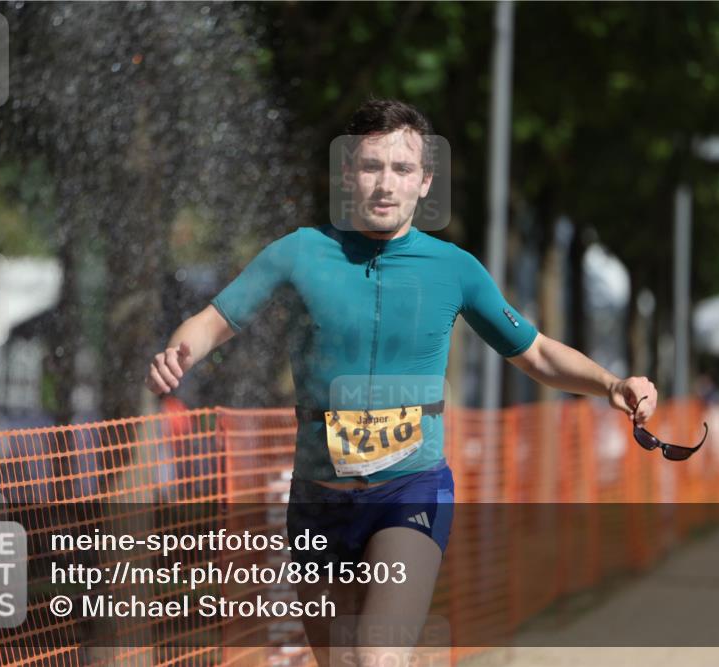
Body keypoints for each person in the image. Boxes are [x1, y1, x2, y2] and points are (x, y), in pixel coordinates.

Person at [145, 99, 658, 665]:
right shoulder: (299, 253)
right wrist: (180, 351)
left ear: (424, 180)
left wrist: (612, 385)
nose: (385, 183)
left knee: (378, 658)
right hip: (318, 502)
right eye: (371, 167)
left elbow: (534, 352)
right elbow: (216, 318)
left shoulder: (454, 268)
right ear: (347, 174)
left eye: (402, 169)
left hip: (408, 493)